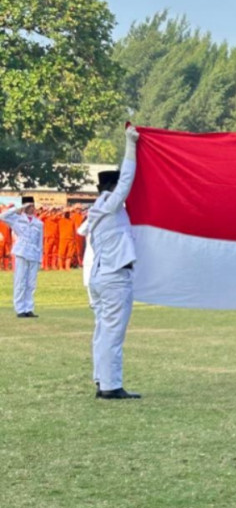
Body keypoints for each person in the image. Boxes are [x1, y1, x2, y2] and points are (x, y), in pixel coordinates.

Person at [88, 125, 140, 399]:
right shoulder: (109, 204)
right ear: (109, 188)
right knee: (112, 334)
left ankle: (101, 379)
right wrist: (130, 145)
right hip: (114, 277)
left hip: (102, 276)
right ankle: (110, 385)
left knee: (102, 331)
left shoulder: (99, 209)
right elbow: (127, 180)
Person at [1, 197, 44, 317]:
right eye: (29, 206)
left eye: (32, 206)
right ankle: (20, 309)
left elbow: (40, 242)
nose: (31, 208)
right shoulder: (17, 219)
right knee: (20, 281)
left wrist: (40, 258)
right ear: (24, 207)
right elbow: (2, 216)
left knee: (31, 283)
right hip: (21, 251)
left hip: (34, 253)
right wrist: (18, 208)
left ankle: (29, 308)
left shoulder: (39, 223)